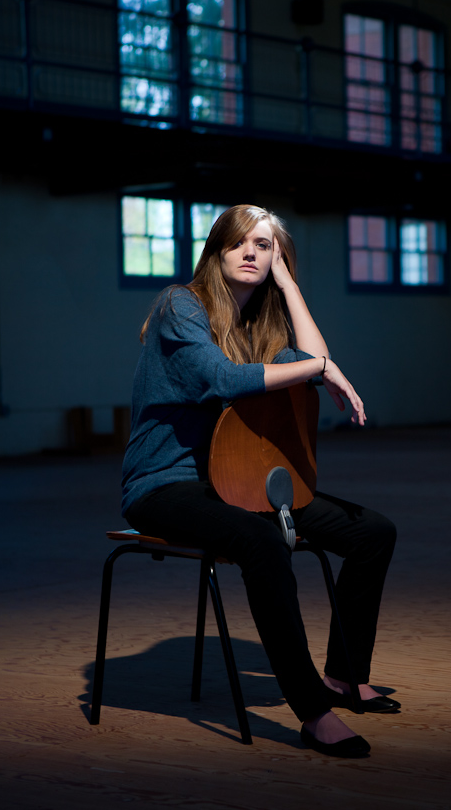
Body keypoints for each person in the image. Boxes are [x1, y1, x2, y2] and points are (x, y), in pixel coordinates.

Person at [121, 204, 398, 758]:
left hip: (235, 481)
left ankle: (343, 676)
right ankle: (313, 712)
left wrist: (289, 286)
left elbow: (316, 359)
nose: (251, 253)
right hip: (164, 484)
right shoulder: (181, 305)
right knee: (262, 540)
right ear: (217, 251)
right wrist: (319, 369)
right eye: (240, 243)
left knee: (372, 532)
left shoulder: (261, 326)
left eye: (265, 246)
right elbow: (226, 379)